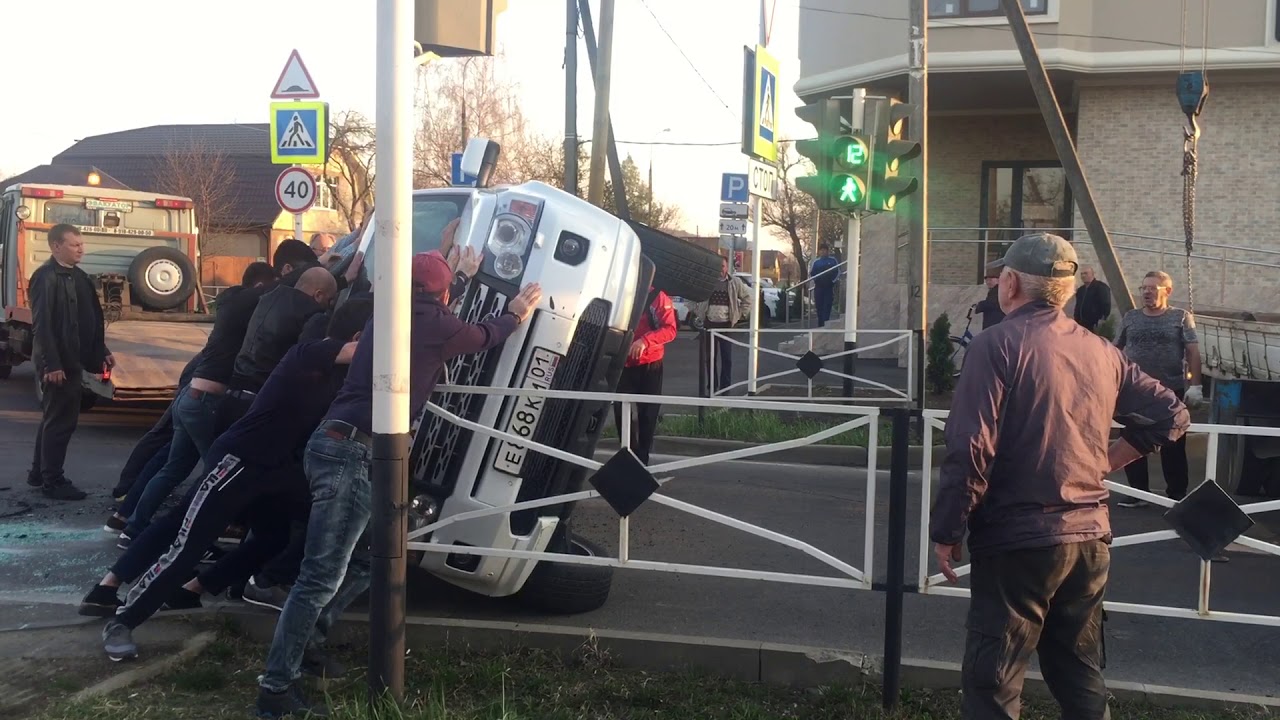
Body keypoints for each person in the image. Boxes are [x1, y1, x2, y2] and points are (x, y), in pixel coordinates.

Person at [255, 251, 539, 718]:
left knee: (373, 557)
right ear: (442, 293)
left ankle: (309, 644)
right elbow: (482, 335)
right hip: (355, 453)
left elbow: (443, 314)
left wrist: (460, 276)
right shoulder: (435, 322)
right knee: (320, 577)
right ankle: (275, 690)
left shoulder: (388, 313)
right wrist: (515, 314)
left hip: (342, 444)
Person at [929, 233, 1189, 720]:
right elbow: (1172, 414)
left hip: (1016, 540)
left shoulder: (995, 345)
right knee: (1078, 672)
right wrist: (1104, 463)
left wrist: (947, 529)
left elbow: (969, 448)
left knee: (994, 681)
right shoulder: (1101, 351)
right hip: (1089, 540)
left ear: (1009, 283)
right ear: (1068, 291)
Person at [86, 298, 374, 662]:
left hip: (279, 470)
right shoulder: (311, 353)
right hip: (239, 461)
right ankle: (123, 620)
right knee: (189, 543)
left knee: (277, 537)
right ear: (359, 336)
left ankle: (198, 587)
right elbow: (366, 351)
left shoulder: (343, 375)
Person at [106, 261, 277, 540]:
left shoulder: (229, 305)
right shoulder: (243, 303)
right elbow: (281, 288)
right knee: (218, 473)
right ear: (259, 287)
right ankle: (201, 534)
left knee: (173, 467)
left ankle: (130, 526)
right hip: (206, 401)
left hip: (192, 396)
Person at [26, 224, 113, 501]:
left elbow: (89, 320)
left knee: (54, 417)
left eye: (81, 244)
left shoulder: (80, 277)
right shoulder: (45, 277)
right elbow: (43, 326)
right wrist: (51, 364)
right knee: (61, 421)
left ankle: (39, 474)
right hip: (60, 364)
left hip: (75, 360)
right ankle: (54, 481)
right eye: (74, 244)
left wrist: (101, 350)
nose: (81, 249)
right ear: (56, 246)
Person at [1114, 270, 1204, 508]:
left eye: (1153, 288)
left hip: (1168, 390)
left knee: (1173, 442)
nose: (1147, 292)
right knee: (1132, 440)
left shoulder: (1180, 317)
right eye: (1144, 288)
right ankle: (1138, 492)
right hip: (1134, 391)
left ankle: (1176, 494)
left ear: (1168, 291)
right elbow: (1116, 349)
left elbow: (1193, 351)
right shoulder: (1131, 317)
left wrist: (1196, 385)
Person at [613, 285, 678, 464]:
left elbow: (670, 329)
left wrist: (645, 341)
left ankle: (642, 462)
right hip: (622, 363)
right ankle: (629, 460)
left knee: (647, 415)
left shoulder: (658, 297)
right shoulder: (617, 290)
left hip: (650, 363)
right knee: (621, 413)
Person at [697, 256, 752, 393]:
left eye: (722, 266)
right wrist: (698, 312)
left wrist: (739, 315)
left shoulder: (735, 282)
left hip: (726, 325)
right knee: (710, 358)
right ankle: (712, 387)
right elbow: (692, 296)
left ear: (727, 267)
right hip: (709, 325)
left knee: (727, 358)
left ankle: (725, 388)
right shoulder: (707, 281)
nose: (720, 269)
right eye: (717, 266)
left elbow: (748, 299)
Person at [1073, 266, 1112, 332]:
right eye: (1081, 274)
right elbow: (1078, 306)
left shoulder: (1101, 287)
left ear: (1092, 274)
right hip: (1080, 324)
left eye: (1086, 273)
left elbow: (1106, 304)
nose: (1083, 276)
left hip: (1094, 324)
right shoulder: (1081, 290)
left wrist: (1102, 319)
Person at [809, 244, 839, 327]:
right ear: (819, 251)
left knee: (827, 305)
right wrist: (817, 281)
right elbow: (812, 273)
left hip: (828, 287)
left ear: (827, 251)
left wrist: (832, 282)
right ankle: (820, 324)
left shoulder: (833, 260)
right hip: (818, 287)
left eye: (824, 250)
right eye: (821, 250)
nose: (823, 251)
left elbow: (837, 272)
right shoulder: (816, 262)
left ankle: (826, 323)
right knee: (819, 306)